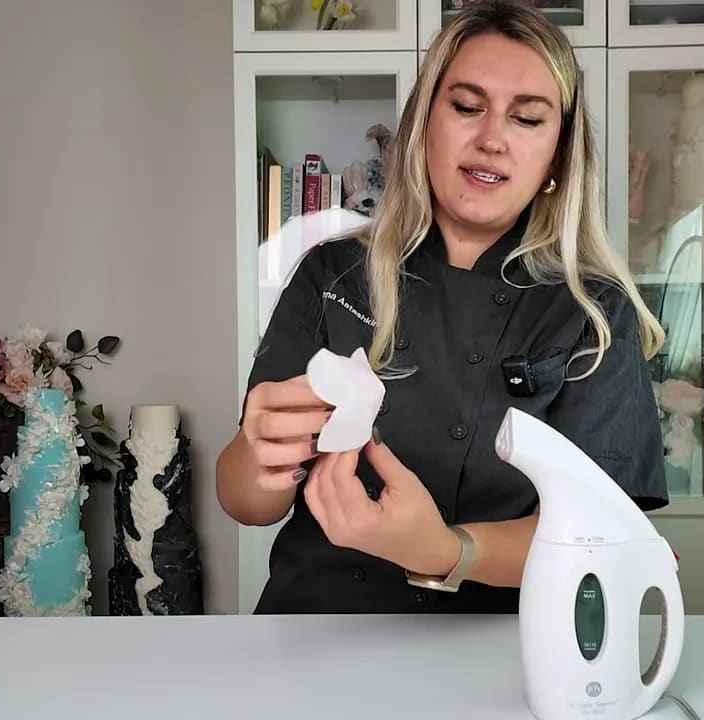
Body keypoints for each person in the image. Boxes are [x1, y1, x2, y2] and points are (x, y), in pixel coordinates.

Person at [216, 0, 669, 615]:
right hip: (313, 627)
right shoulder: (332, 273)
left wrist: (445, 549)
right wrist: (257, 457)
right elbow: (247, 504)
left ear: (558, 157)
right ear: (425, 120)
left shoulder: (592, 314)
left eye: (528, 119)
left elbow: (605, 540)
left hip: (499, 650)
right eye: (466, 106)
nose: (492, 140)